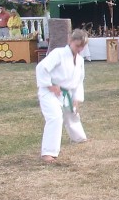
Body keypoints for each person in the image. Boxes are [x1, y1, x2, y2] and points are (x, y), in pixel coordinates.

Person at [36, 28, 89, 163]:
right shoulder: (58, 53)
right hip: (49, 92)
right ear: (70, 41)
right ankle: (48, 152)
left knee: (72, 114)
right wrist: (50, 86)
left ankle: (78, 138)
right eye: (77, 45)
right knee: (55, 117)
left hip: (67, 92)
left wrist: (76, 98)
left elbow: (79, 81)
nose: (79, 49)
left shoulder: (80, 60)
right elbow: (41, 68)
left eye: (82, 47)